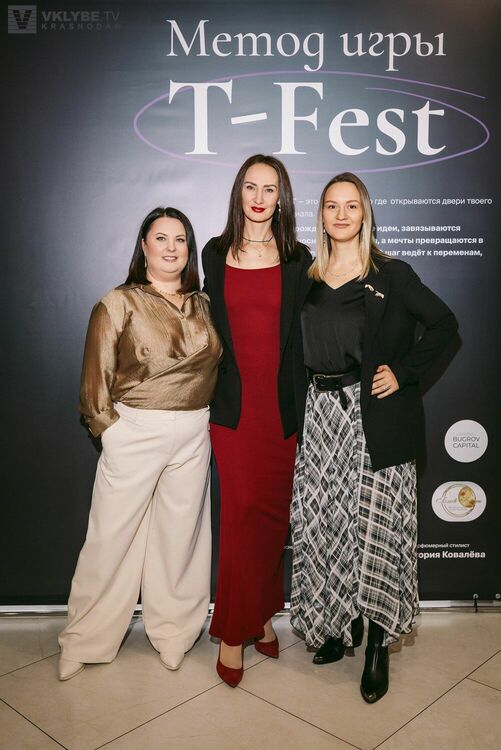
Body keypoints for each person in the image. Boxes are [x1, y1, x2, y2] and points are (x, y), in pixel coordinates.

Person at [290, 172, 458, 703]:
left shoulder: (392, 274)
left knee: (377, 531)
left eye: (351, 205)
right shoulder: (307, 276)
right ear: (321, 216)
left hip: (375, 421)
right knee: (329, 523)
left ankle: (379, 643)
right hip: (321, 417)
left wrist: (403, 373)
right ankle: (339, 626)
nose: (341, 214)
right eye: (331, 206)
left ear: (365, 213)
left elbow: (445, 325)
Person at [58, 207, 222, 680]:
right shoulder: (118, 303)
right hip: (134, 430)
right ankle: (85, 639)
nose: (171, 247)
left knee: (180, 540)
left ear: (189, 249)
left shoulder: (205, 304)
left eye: (180, 239)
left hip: (194, 431)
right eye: (161, 238)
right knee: (110, 539)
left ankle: (174, 634)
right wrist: (113, 433)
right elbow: (95, 379)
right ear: (144, 247)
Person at [202, 154, 311, 687]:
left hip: (282, 408)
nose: (260, 198)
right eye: (251, 187)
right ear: (238, 193)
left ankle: (264, 613)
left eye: (270, 189)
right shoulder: (214, 253)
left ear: (281, 198)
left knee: (271, 517)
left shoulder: (298, 259)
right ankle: (232, 631)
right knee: (240, 514)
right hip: (232, 408)